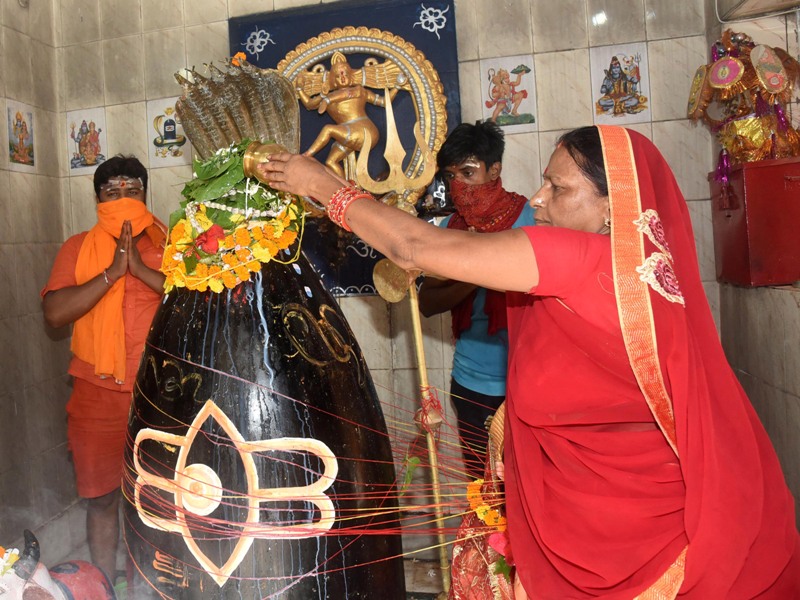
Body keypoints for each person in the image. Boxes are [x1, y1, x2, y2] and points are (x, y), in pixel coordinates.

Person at [258, 124, 800, 598]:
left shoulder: (575, 257)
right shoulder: (647, 269)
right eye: (543, 180)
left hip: (613, 528)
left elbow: (411, 248)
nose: (539, 199)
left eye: (559, 188)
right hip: (647, 500)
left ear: (616, 204)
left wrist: (321, 186)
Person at [41, 155, 166, 582]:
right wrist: (112, 273)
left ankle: (151, 584)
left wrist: (142, 270)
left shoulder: (172, 241)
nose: (123, 198)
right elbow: (55, 313)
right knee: (102, 499)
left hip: (160, 393)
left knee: (160, 499)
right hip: (96, 395)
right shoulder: (78, 247)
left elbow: (196, 303)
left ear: (145, 194)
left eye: (132, 190)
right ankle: (102, 586)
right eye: (113, 192)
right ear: (98, 199)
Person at [418, 121, 534, 478]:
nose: (460, 186)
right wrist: (472, 270)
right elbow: (428, 303)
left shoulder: (530, 218)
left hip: (526, 382)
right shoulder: (450, 228)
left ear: (494, 170)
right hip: (470, 384)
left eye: (469, 173)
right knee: (483, 489)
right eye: (452, 176)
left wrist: (476, 259)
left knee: (524, 486)